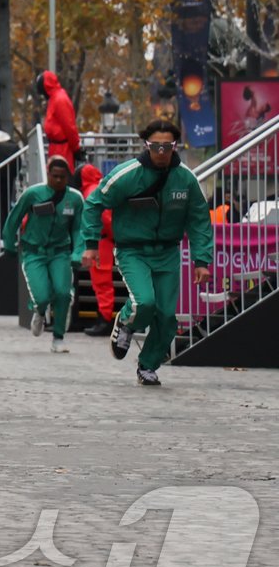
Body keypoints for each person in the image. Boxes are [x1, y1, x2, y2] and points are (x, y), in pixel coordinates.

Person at [82, 119, 213, 386]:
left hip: (167, 252)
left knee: (166, 317)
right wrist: (91, 244)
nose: (162, 152)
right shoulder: (127, 174)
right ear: (146, 145)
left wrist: (202, 260)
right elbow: (94, 203)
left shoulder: (186, 179)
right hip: (133, 251)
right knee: (144, 302)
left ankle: (148, 366)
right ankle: (126, 322)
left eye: (168, 146)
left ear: (176, 146)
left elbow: (199, 220)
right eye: (156, 146)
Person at [2, 156, 85, 352]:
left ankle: (58, 338)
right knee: (42, 295)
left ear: (68, 177)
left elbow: (78, 229)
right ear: (48, 174)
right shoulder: (33, 194)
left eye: (62, 177)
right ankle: (40, 310)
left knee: (63, 292)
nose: (58, 180)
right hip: (34, 252)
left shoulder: (75, 199)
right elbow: (14, 218)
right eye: (54, 176)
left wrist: (77, 253)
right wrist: (9, 243)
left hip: (60, 252)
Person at [78, 163, 116, 336]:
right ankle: (105, 317)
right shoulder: (99, 187)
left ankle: (105, 319)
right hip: (104, 240)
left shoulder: (90, 191)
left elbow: (104, 218)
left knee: (101, 282)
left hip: (101, 241)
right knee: (101, 282)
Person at [37, 71, 80, 165]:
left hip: (62, 150)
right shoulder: (55, 99)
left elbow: (69, 127)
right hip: (56, 149)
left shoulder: (60, 100)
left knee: (62, 176)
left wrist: (76, 148)